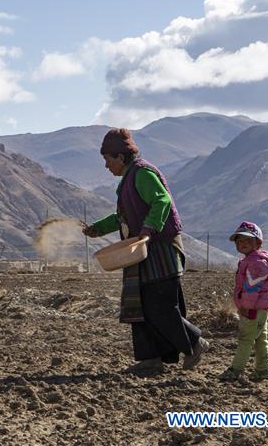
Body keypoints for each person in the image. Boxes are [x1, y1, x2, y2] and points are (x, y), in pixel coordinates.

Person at [83, 128, 209, 374]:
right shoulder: (129, 179)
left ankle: (194, 343)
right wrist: (98, 229)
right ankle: (151, 359)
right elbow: (124, 216)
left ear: (120, 156)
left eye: (108, 159)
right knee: (140, 307)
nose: (106, 166)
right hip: (141, 251)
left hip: (160, 251)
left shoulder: (142, 174)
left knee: (159, 306)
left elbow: (161, 201)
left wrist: (149, 229)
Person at [219, 221, 268, 382]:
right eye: (240, 241)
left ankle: (236, 370)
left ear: (258, 243)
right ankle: (262, 370)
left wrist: (245, 307)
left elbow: (252, 289)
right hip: (262, 307)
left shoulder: (255, 262)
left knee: (246, 338)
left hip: (253, 308)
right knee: (260, 338)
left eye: (248, 240)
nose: (243, 243)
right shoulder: (254, 260)